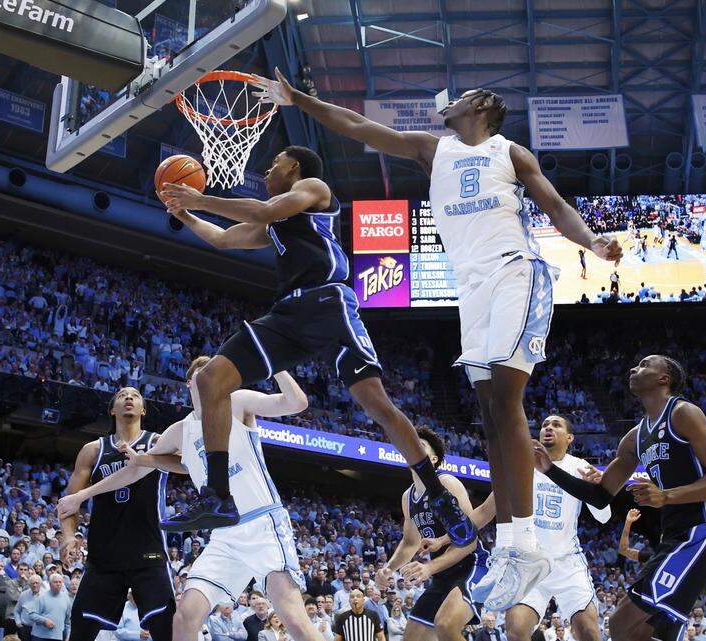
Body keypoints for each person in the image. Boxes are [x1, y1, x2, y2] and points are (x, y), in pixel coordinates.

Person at [255, 69, 622, 613]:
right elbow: (357, 126)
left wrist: (592, 239)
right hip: (469, 288)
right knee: (489, 413)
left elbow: (555, 206)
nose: (447, 103)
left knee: (505, 399)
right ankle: (516, 548)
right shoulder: (433, 149)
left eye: (462, 98)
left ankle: (521, 545)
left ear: (481, 108)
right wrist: (296, 99)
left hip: (514, 272)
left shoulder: (510, 153)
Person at [157, 148, 475, 548]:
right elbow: (223, 238)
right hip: (288, 313)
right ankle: (219, 497)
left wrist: (200, 199)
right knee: (210, 380)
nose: (269, 169)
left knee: (378, 407)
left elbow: (263, 211)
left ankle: (438, 493)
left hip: (328, 303)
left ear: (294, 167)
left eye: (274, 164)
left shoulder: (314, 188)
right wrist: (184, 213)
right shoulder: (275, 220)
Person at [57, 364, 325, 641]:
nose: (215, 372)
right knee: (184, 618)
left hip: (262, 523)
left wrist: (275, 365)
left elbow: (296, 402)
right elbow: (137, 469)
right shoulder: (180, 430)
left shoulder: (238, 401)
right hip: (224, 535)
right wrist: (82, 495)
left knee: (293, 618)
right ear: (190, 383)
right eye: (205, 368)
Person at [528, 355, 706, 641]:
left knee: (621, 624)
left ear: (664, 379)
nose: (633, 368)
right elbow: (600, 496)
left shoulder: (683, 413)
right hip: (673, 537)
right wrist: (550, 469)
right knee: (643, 632)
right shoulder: (634, 438)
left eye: (643, 365)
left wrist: (666, 495)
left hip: (703, 530)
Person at [438, 416, 606, 641]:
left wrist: (597, 489)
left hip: (567, 563)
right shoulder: (521, 466)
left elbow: (603, 517)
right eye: (545, 424)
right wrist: (444, 540)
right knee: (515, 630)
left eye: (556, 425)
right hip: (529, 562)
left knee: (588, 631)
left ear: (569, 438)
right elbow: (485, 511)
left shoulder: (580, 467)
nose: (548, 427)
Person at [56, 387, 175, 641]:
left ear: (143, 409)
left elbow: (188, 464)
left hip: (149, 554)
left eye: (135, 395)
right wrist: (67, 536)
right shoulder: (93, 450)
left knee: (167, 631)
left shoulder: (157, 442)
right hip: (104, 557)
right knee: (80, 632)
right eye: (122, 395)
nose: (129, 398)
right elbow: (68, 502)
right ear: (113, 410)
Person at [374, 427, 485, 641]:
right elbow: (409, 544)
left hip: (471, 566)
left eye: (420, 446)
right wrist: (388, 569)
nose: (412, 447)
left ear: (433, 459)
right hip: (441, 575)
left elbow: (469, 540)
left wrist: (429, 567)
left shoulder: (447, 483)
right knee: (412, 638)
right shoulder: (408, 497)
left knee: (446, 626)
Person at [24, 574, 71, 641]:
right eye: (55, 582)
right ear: (50, 584)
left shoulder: (66, 598)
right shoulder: (41, 597)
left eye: (60, 582)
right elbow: (31, 614)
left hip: (57, 637)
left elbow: (68, 621)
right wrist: (44, 621)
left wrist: (68, 636)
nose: (58, 584)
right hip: (39, 636)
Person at [14, 575, 43, 641]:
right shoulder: (23, 594)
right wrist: (18, 622)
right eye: (33, 583)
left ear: (40, 584)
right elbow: (16, 610)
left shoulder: (46, 595)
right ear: (29, 584)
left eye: (37, 583)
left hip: (40, 629)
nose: (35, 585)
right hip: (24, 629)